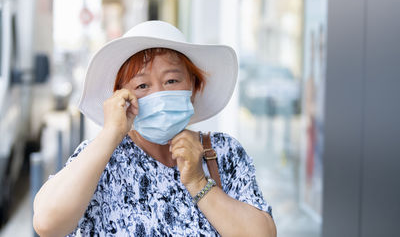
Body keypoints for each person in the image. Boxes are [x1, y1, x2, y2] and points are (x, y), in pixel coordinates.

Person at [33, 20, 276, 236]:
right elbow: (47, 224)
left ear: (194, 88)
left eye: (171, 80)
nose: (159, 94)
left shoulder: (223, 152)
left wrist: (199, 183)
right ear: (122, 97)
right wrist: (110, 133)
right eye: (142, 86)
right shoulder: (101, 156)